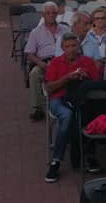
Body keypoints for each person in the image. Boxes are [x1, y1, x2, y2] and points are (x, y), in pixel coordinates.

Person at [43, 32, 101, 183]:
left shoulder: (87, 62)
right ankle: (56, 160)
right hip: (59, 99)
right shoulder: (55, 63)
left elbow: (97, 85)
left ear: (78, 46)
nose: (71, 50)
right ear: (62, 48)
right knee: (67, 115)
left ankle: (89, 155)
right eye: (67, 46)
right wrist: (66, 79)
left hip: (82, 99)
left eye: (74, 46)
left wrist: (86, 78)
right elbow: (49, 88)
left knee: (90, 112)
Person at [24, 1, 69, 121]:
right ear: (43, 15)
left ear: (57, 14)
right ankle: (37, 108)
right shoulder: (36, 32)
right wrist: (40, 63)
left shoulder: (65, 29)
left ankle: (67, 102)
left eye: (53, 13)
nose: (51, 15)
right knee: (34, 74)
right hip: (45, 63)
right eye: (48, 13)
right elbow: (29, 53)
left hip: (64, 62)